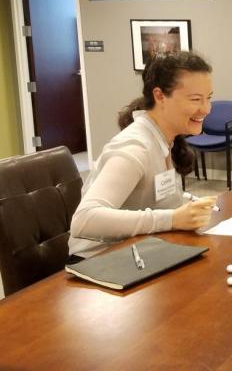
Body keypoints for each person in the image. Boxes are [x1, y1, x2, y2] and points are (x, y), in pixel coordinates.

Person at [69, 51, 217, 259]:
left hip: (140, 251)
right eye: (195, 99)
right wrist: (173, 219)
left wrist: (187, 204)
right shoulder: (134, 148)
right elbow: (85, 220)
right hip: (99, 263)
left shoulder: (163, 138)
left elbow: (153, 195)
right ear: (159, 96)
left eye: (208, 98)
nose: (206, 109)